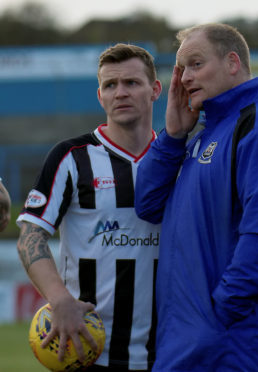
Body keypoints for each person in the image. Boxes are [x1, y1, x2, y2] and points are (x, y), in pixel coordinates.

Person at [135, 23, 258, 371]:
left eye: (196, 64)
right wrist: (172, 137)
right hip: (186, 344)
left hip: (235, 347)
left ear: (233, 62)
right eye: (181, 69)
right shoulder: (202, 133)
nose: (184, 78)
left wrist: (218, 315)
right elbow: (148, 205)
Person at [17, 43, 162, 371]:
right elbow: (31, 234)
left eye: (132, 83)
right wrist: (59, 298)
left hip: (169, 352)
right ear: (100, 96)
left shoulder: (177, 159)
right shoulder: (71, 157)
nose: (120, 92)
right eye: (110, 85)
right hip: (86, 347)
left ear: (155, 90)